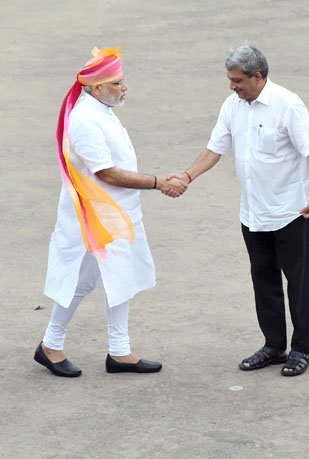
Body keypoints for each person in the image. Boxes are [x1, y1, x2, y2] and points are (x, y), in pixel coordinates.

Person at [171, 45, 309, 377]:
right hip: (253, 213)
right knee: (263, 281)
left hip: (290, 211)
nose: (232, 86)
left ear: (257, 77)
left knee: (297, 283)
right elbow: (214, 149)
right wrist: (187, 176)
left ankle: (302, 348)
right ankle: (274, 345)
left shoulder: (287, 105)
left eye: (238, 80)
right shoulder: (233, 106)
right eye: (230, 80)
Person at [35, 47, 185, 378]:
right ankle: (51, 345)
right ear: (96, 87)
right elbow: (107, 174)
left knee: (119, 277)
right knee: (80, 281)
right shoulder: (86, 120)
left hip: (116, 215)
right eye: (117, 83)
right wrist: (158, 182)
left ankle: (119, 351)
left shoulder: (101, 110)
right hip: (94, 219)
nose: (124, 87)